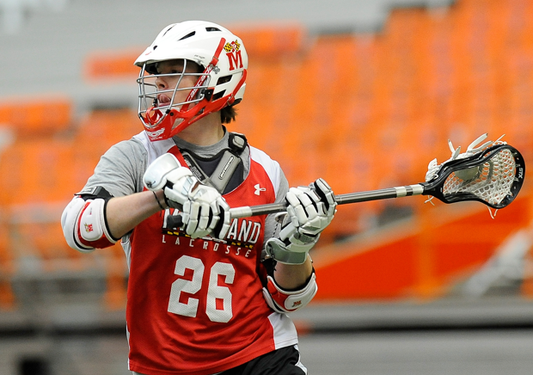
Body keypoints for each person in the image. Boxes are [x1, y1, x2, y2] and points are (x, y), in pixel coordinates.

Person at [61, 20, 337, 375]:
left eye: (175, 71)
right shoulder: (134, 156)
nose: (160, 83)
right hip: (164, 364)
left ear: (217, 78)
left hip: (258, 356)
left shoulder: (266, 171)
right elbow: (77, 228)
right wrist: (158, 197)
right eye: (157, 73)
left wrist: (298, 248)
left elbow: (286, 297)